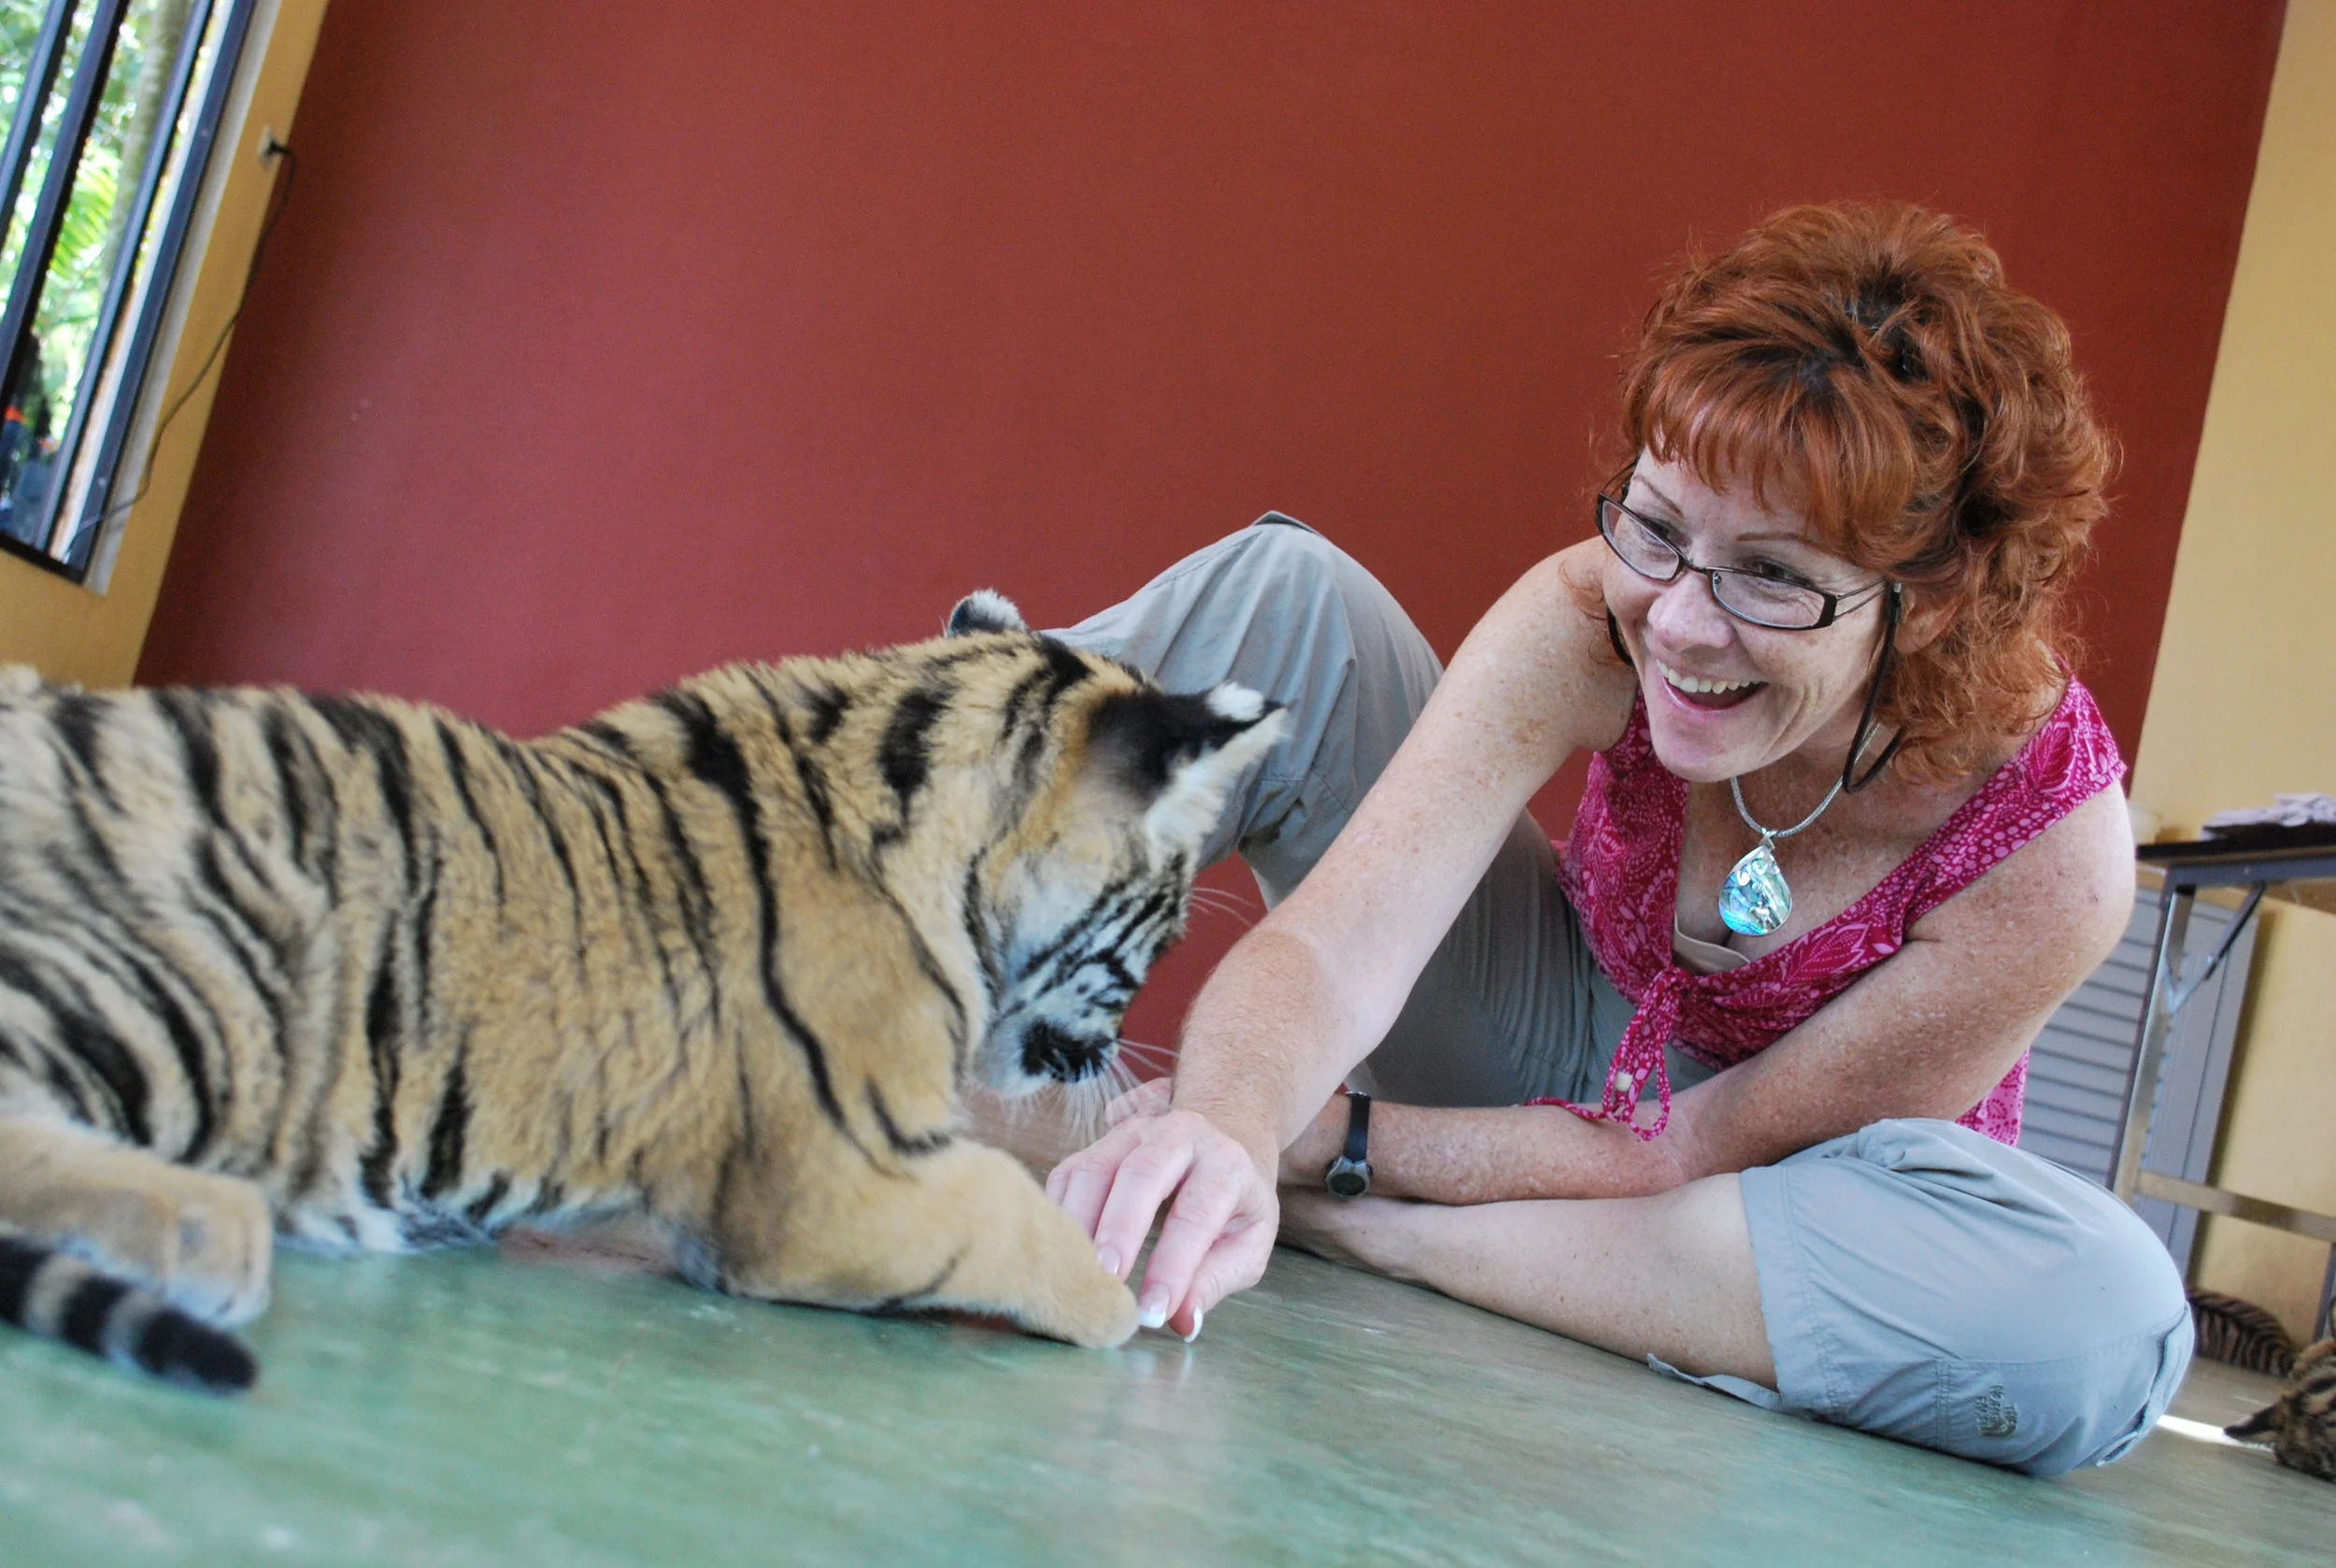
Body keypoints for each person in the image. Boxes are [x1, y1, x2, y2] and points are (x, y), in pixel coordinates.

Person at [1041, 202, 2190, 1476]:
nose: (1683, 626)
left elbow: (1689, 1152)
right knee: (1287, 598)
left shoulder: (2051, 852)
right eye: (1657, 528)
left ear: (1932, 601)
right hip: (1545, 1063)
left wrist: (1329, 1146)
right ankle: (843, 948)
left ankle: (1373, 1235)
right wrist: (1235, 1116)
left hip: (1748, 1214)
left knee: (2104, 1326)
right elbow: (1335, 949)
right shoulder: (1592, 614)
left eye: (1770, 575)